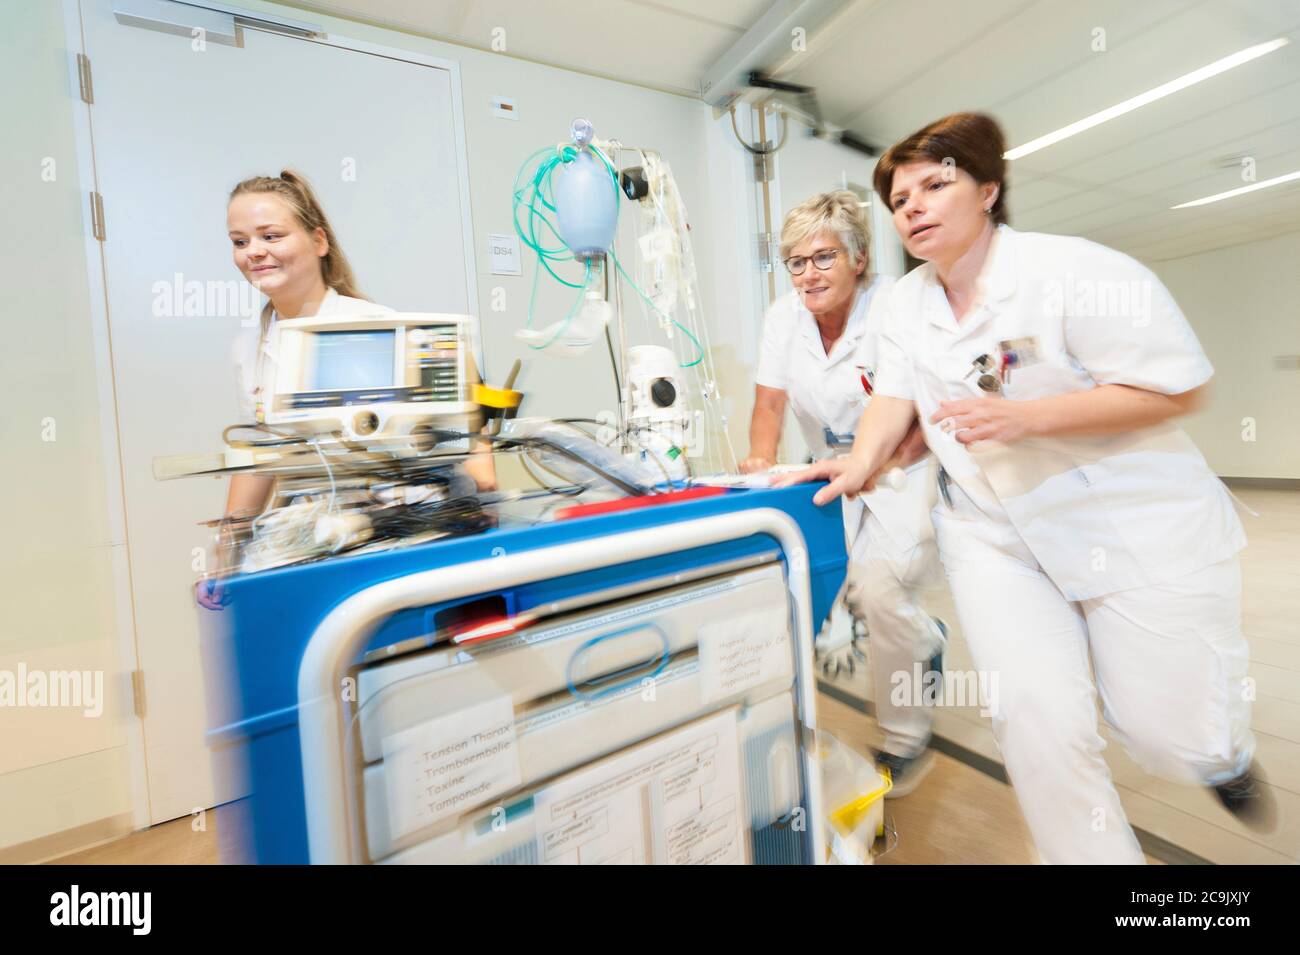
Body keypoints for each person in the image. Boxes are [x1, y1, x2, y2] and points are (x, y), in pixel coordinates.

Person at [777, 113, 1272, 863]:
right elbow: (894, 397)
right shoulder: (908, 304)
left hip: (1127, 520)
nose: (911, 205)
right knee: (1034, 720)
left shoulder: (1075, 272)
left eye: (934, 184)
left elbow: (1176, 389)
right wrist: (858, 464)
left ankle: (1220, 756)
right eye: (899, 196)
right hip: (994, 536)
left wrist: (1028, 417)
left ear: (988, 190)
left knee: (1165, 733)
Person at [197, 170, 492, 608]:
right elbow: (258, 456)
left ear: (319, 241)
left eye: (271, 236)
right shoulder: (250, 349)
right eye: (240, 242)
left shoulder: (378, 325)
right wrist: (228, 553)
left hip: (403, 529)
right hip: (315, 537)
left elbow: (471, 421)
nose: (254, 252)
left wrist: (483, 487)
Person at [741, 191, 945, 794]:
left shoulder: (896, 309)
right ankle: (924, 636)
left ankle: (906, 740)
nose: (808, 274)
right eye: (796, 262)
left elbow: (925, 410)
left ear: (859, 257)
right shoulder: (784, 317)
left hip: (905, 464)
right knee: (827, 583)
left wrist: (875, 467)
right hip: (826, 464)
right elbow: (769, 401)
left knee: (881, 589)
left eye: (823, 257)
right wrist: (759, 461)